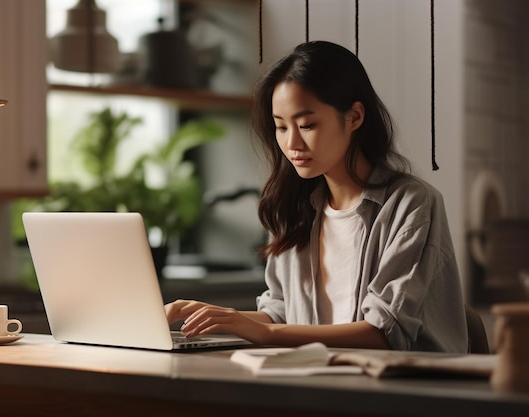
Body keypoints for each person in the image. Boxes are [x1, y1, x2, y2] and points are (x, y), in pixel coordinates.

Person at [165, 41, 468, 352]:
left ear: (354, 117)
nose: (292, 143)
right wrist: (208, 316)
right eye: (280, 127)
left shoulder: (411, 204)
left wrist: (264, 333)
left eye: (307, 125)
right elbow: (282, 313)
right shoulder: (291, 207)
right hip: (319, 385)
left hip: (400, 390)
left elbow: (384, 332)